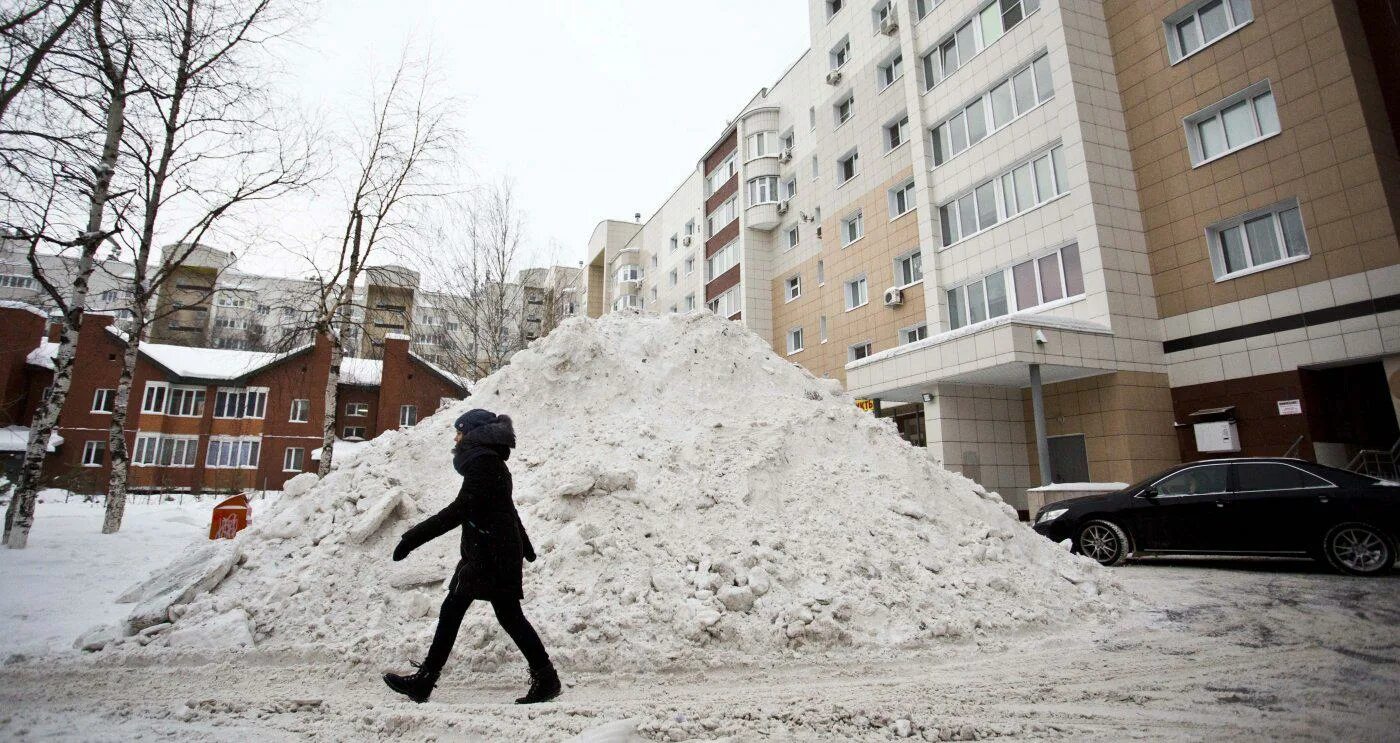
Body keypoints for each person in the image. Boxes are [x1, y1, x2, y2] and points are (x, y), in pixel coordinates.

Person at [382, 409, 561, 705]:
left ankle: (546, 678)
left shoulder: (484, 465)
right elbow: (508, 509)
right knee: (465, 610)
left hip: (491, 554)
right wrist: (525, 546)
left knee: (502, 615)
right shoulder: (489, 464)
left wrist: (411, 539)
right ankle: (426, 680)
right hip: (488, 551)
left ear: (475, 434)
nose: (456, 437)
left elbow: (458, 510)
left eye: (460, 431)